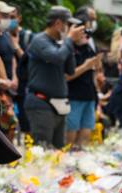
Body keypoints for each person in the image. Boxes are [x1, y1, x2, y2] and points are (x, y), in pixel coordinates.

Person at [24, 6, 85, 147]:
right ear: (58, 24)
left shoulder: (61, 44)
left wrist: (69, 43)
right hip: (41, 103)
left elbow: (70, 70)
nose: (71, 29)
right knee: (42, 151)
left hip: (59, 104)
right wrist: (69, 40)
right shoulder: (39, 40)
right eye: (68, 25)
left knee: (58, 152)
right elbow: (56, 57)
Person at [66, 11, 100, 146]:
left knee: (87, 132)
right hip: (73, 96)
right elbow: (66, 77)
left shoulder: (88, 48)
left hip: (89, 96)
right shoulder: (68, 49)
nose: (86, 33)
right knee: (71, 135)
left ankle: (81, 161)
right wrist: (85, 67)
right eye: (83, 30)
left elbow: (94, 72)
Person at [9, 3, 34, 134]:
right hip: (6, 87)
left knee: (26, 125)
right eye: (7, 17)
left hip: (25, 87)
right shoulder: (0, 37)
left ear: (19, 18)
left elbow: (32, 61)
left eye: (12, 16)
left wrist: (16, 46)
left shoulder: (29, 37)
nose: (10, 20)